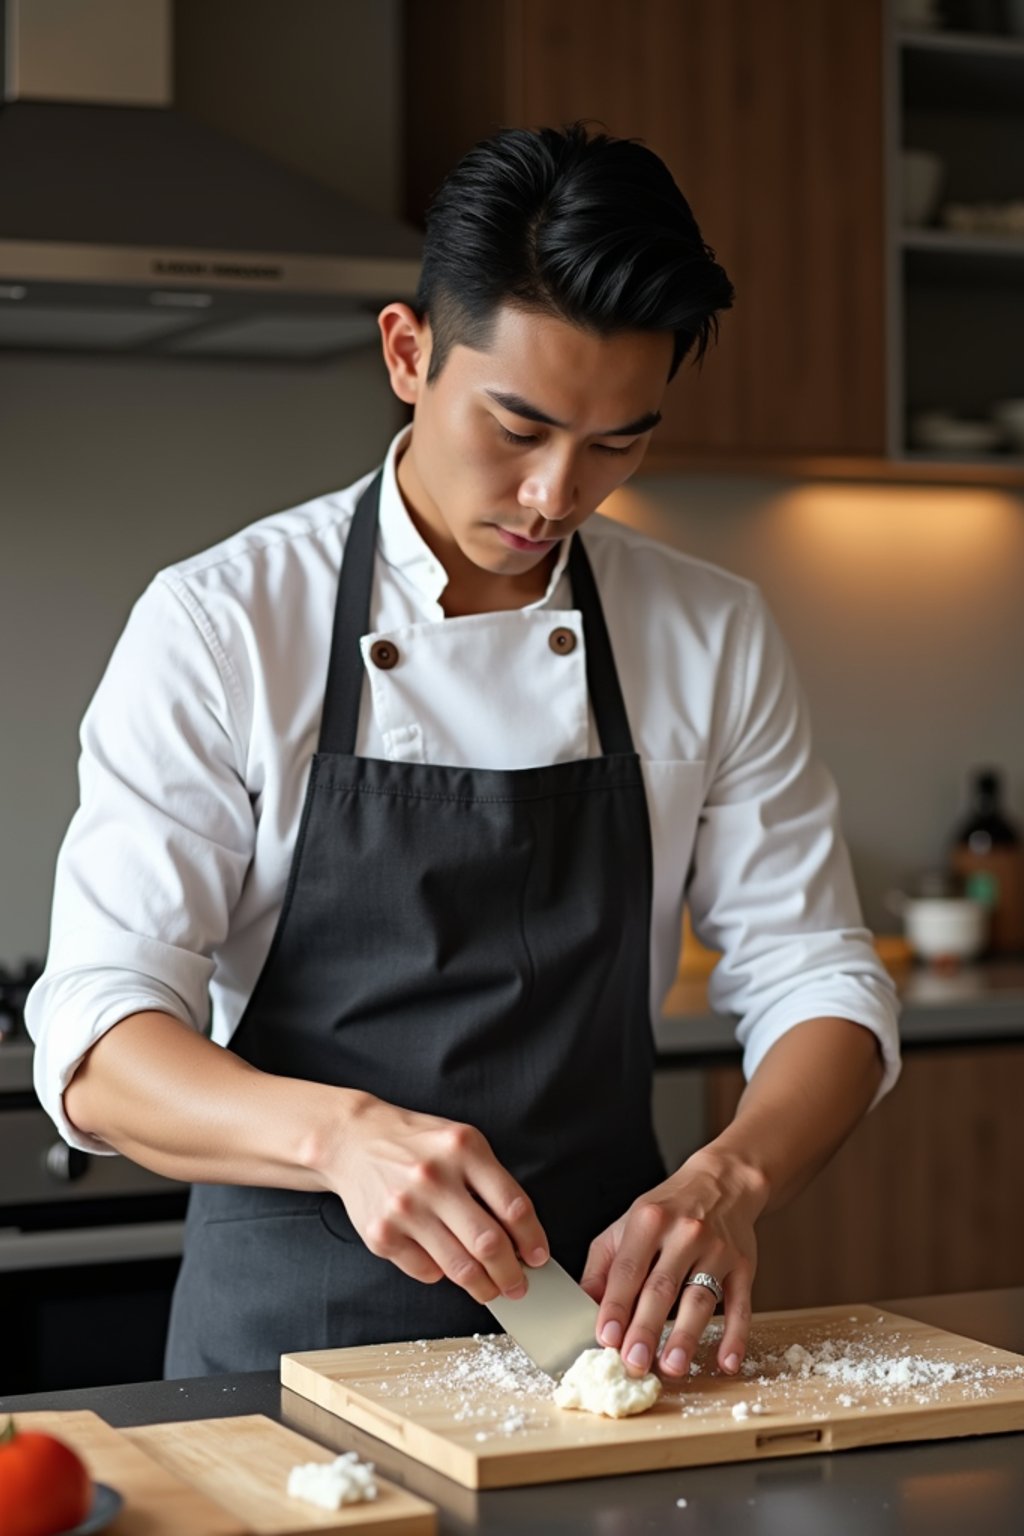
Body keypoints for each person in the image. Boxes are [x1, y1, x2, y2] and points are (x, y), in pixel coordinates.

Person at [26, 123, 900, 1384]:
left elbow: (819, 974)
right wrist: (341, 1138)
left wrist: (730, 1179)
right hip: (289, 1350)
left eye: (617, 443)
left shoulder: (706, 630)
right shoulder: (224, 624)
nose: (555, 493)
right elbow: (100, 1041)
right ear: (407, 352)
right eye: (519, 426)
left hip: (603, 1333)